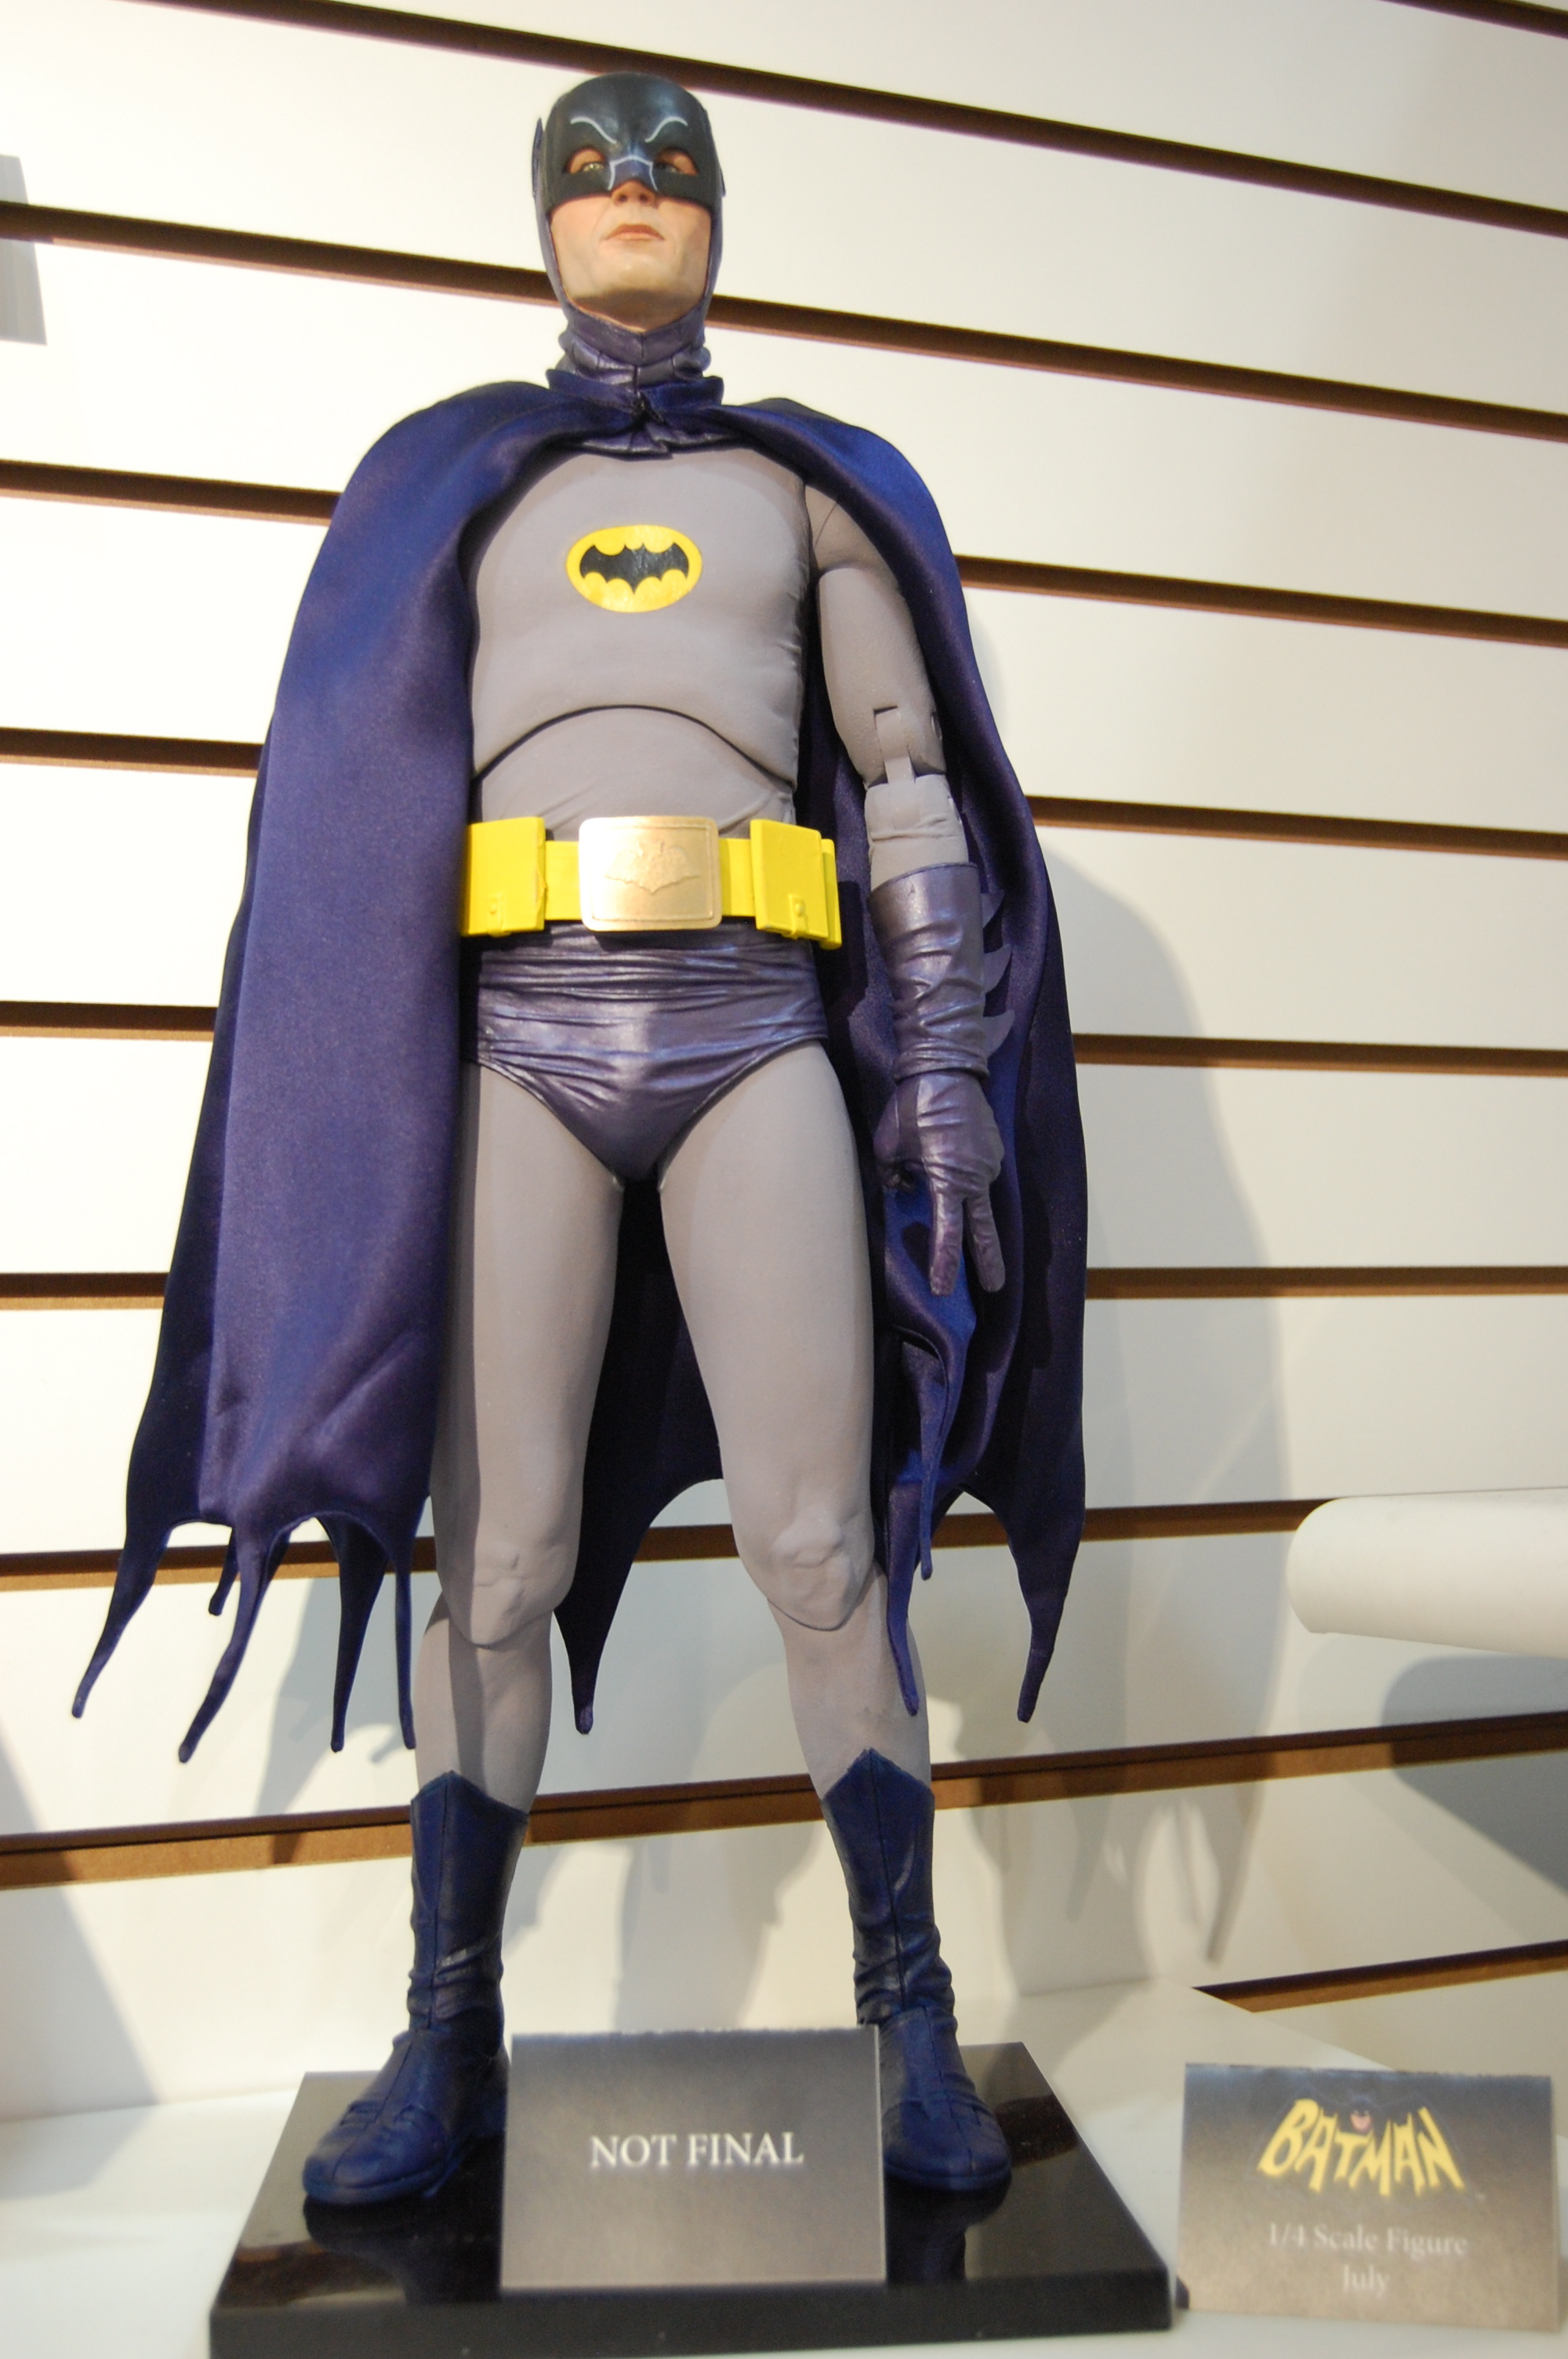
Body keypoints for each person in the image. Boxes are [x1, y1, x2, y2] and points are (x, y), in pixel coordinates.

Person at [74, 74, 1087, 2208]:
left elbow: (907, 786)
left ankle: (907, 2014)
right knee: (501, 1565)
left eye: (669, 168)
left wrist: (937, 1066)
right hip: (517, 1046)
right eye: (590, 170)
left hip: (750, 1036)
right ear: (540, 217)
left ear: (720, 212)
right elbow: (356, 790)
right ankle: (449, 2039)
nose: (630, 194)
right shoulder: (457, 485)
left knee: (820, 1548)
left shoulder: (805, 491)